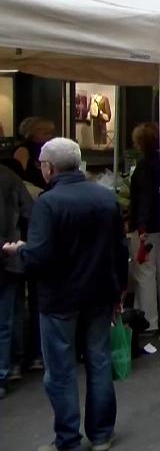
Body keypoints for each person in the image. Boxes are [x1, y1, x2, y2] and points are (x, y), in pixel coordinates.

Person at [4, 138, 127, 451]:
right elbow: (119, 249)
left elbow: (40, 256)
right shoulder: (104, 197)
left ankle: (68, 438)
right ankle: (101, 434)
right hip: (99, 293)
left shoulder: (49, 202)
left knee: (60, 369)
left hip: (59, 298)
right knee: (98, 363)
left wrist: (20, 251)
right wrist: (118, 291)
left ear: (49, 168)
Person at [127, 123, 160, 335]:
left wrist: (140, 226)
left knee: (145, 273)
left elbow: (143, 198)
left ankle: (149, 320)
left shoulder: (143, 167)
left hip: (146, 226)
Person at [0, 164, 32, 399]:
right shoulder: (10, 177)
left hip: (8, 256)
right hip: (10, 256)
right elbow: (29, 212)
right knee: (7, 318)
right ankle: (10, 367)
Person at [7, 117, 56, 189]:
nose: (50, 136)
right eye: (45, 132)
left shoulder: (50, 148)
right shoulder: (23, 150)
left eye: (51, 132)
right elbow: (18, 177)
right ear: (31, 132)